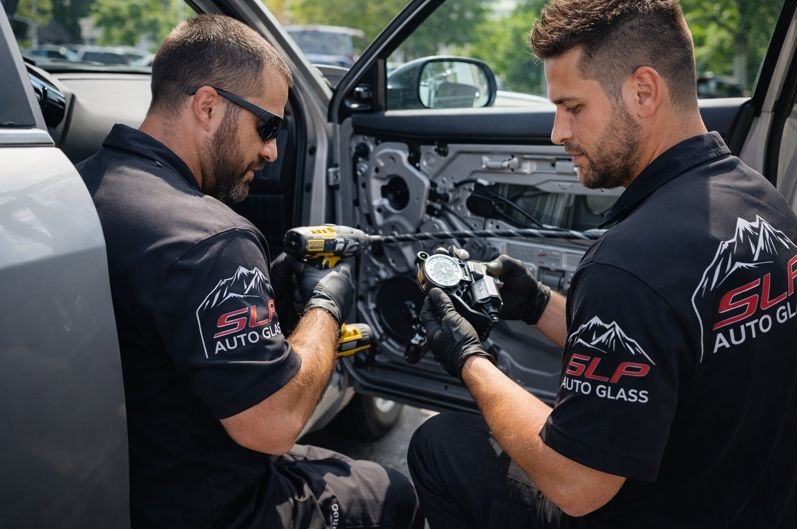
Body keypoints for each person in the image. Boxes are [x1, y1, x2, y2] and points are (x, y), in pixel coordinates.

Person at [408, 1, 797, 528]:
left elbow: (577, 485)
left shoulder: (627, 266)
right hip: (746, 500)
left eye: (572, 107)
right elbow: (661, 351)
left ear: (643, 91)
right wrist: (539, 304)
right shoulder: (766, 204)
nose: (557, 133)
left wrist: (466, 357)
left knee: (440, 441)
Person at [78, 14, 421, 529]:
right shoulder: (213, 239)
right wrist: (327, 306)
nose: (272, 150)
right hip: (224, 508)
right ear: (208, 106)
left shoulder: (83, 184)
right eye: (269, 125)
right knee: (395, 492)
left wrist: (270, 291)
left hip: (125, 480)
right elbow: (275, 425)